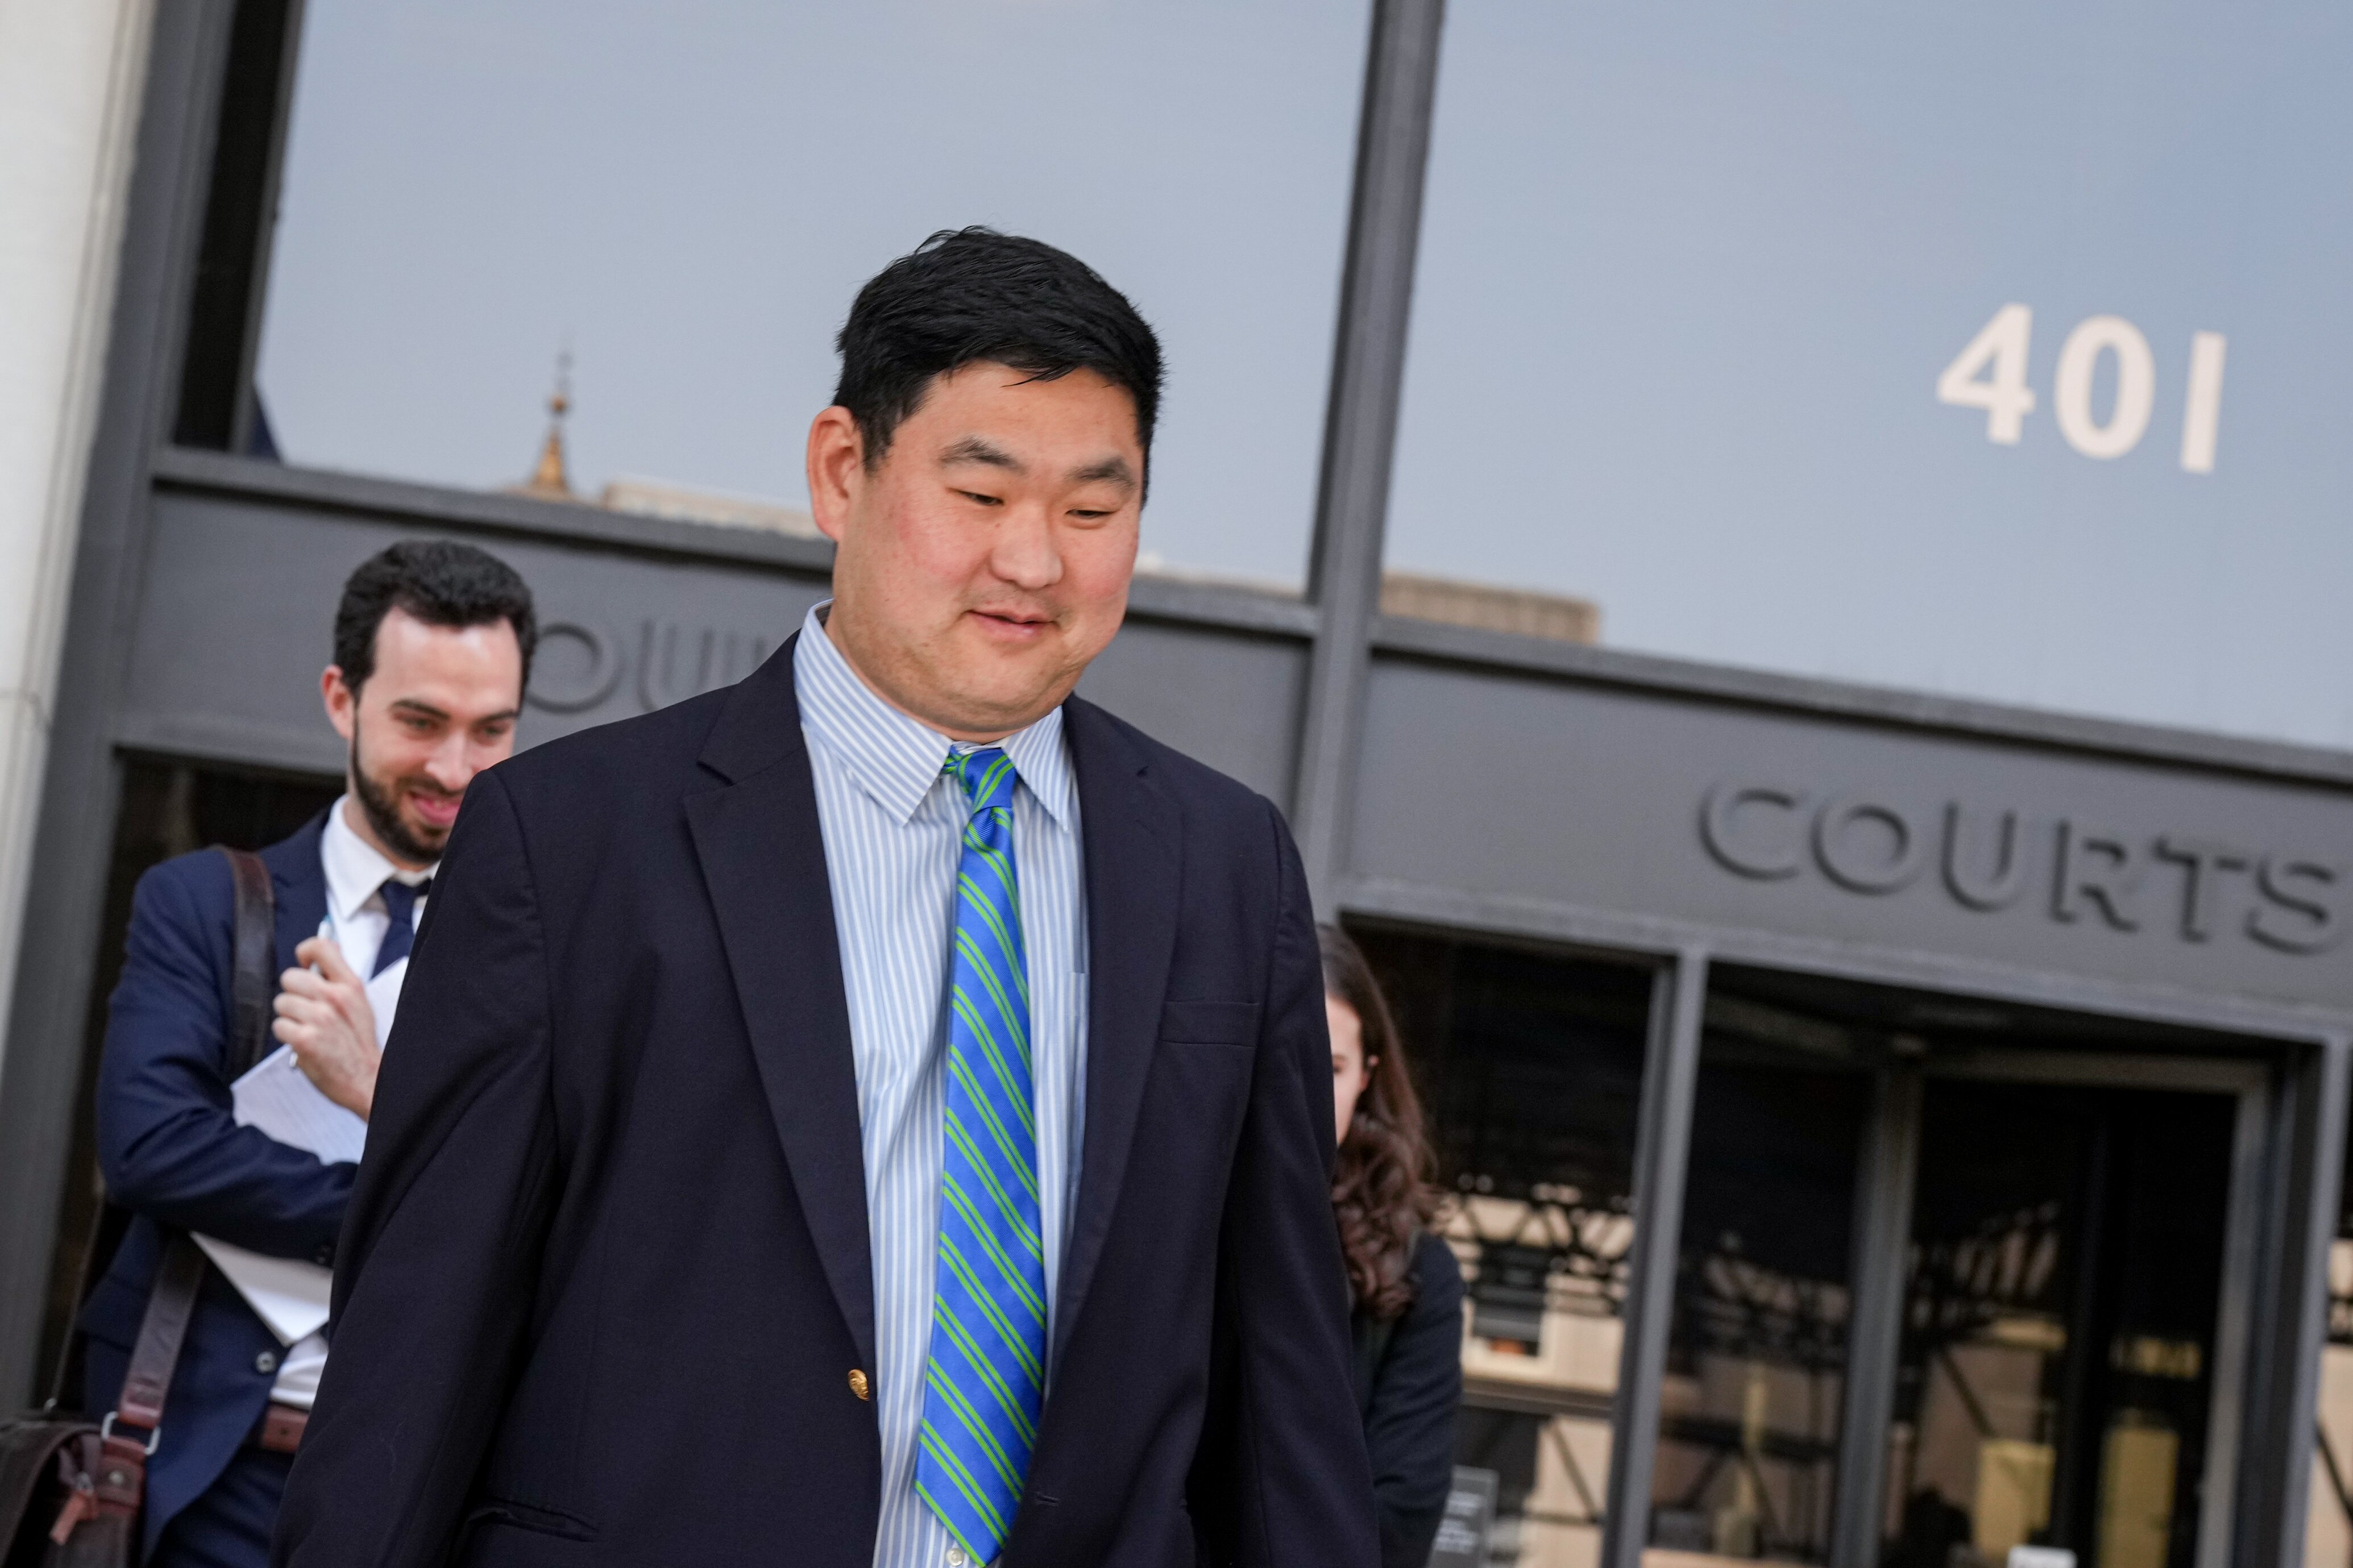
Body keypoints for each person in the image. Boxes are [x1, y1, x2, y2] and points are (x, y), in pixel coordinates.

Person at [272, 228, 1377, 1568]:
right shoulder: (570, 843)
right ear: (841, 471)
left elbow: (1281, 1393)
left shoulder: (1224, 867)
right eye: (981, 493)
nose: (1035, 561)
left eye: (1092, 512)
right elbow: (415, 1357)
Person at [81, 540, 536, 1567]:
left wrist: (383, 1095)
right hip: (193, 1475)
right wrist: (411, 1200)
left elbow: (557, 1210)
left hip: (420, 1496)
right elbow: (152, 1149)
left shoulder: (552, 950)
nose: (455, 768)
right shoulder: (204, 902)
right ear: (342, 698)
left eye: (491, 729)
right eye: (420, 720)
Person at [1322, 924, 1465, 1567]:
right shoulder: (1179, 1216)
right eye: (1284, 1058)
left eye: (1330, 1067)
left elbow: (1400, 1520)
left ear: (1366, 1076)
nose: (1304, 1088)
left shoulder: (1419, 1274)